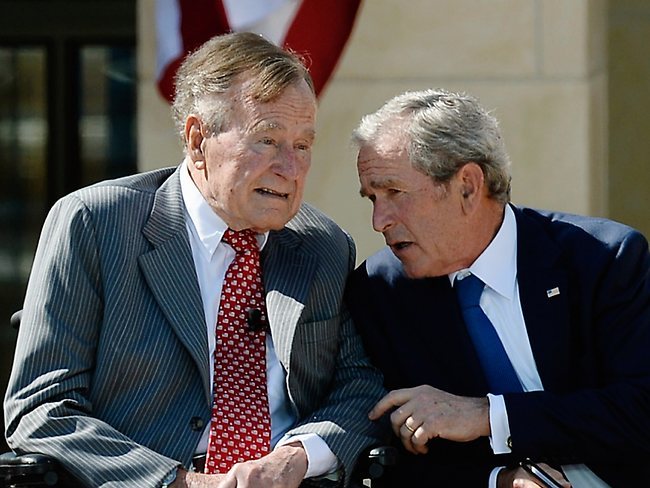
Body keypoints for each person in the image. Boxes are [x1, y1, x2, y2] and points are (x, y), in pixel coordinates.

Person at [4, 32, 385, 488]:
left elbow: (358, 385)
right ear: (198, 139)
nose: (291, 168)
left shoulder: (322, 245)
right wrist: (182, 482)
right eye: (267, 140)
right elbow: (42, 407)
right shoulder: (96, 224)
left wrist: (296, 457)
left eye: (303, 145)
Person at [345, 88, 650, 487]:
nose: (379, 221)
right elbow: (390, 456)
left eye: (394, 193)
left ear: (468, 186)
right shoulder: (379, 292)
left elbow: (641, 407)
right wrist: (500, 481)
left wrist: (490, 416)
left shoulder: (604, 259)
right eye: (372, 198)